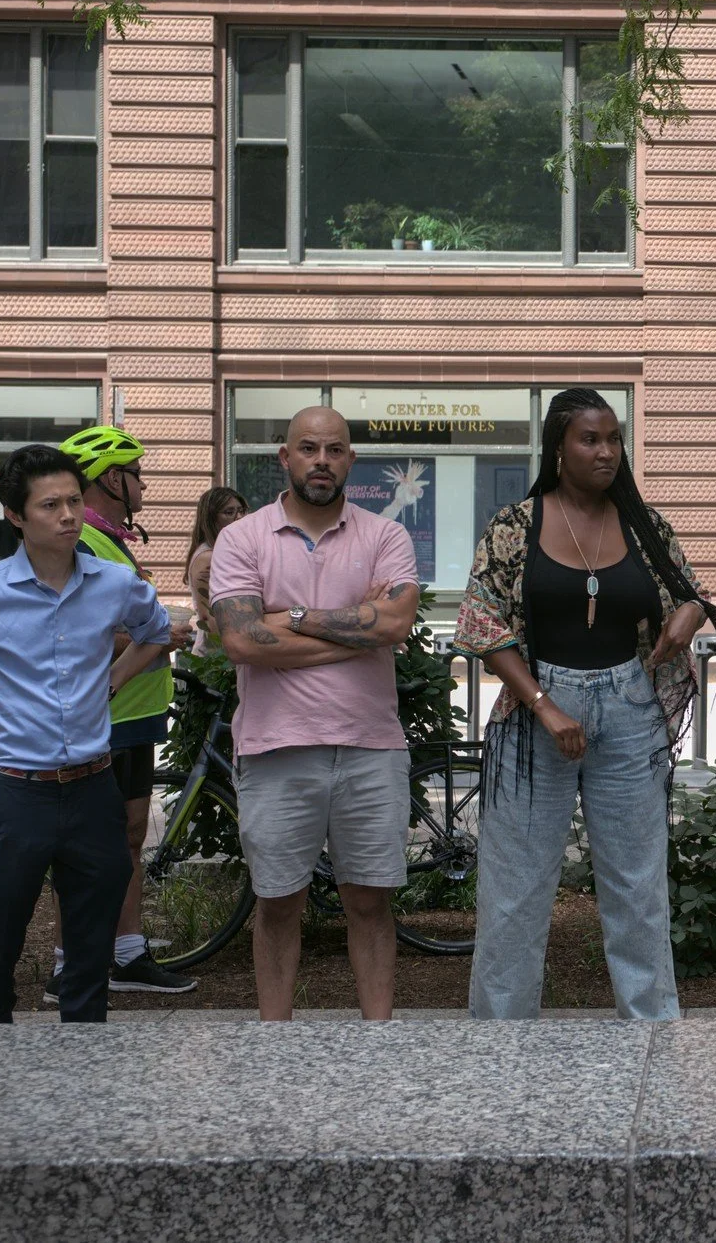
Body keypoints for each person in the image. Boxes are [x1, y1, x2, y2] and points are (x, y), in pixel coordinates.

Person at [456, 388, 716, 1020]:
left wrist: (690, 612)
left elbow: (690, 593)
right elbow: (479, 623)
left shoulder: (644, 525)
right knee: (514, 890)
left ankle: (651, 1028)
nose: (606, 451)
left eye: (614, 439)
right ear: (558, 448)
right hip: (537, 717)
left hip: (628, 711)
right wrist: (545, 705)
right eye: (591, 439)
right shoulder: (514, 526)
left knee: (638, 887)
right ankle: (502, 1034)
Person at [0, 445, 172, 1023]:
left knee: (90, 966)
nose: (68, 515)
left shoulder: (114, 583)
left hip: (95, 790)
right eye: (50, 505)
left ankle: (84, 1082)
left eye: (73, 500)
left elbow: (156, 630)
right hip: (16, 794)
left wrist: (109, 684)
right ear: (16, 516)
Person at [209, 406, 421, 1021]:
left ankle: (377, 1037)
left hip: (370, 746)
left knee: (370, 903)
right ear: (286, 458)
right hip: (276, 748)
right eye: (308, 449)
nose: (321, 461)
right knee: (277, 902)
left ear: (350, 460)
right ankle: (275, 1041)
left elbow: (396, 621)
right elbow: (243, 642)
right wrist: (356, 629)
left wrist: (290, 617)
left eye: (333, 450)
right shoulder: (242, 538)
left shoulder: (386, 536)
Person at [41, 425, 199, 1000]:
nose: (145, 484)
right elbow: (70, 635)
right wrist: (157, 636)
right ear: (113, 477)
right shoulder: (80, 542)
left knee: (130, 836)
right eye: (137, 473)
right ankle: (68, 964)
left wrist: (157, 633)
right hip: (97, 715)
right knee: (84, 843)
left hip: (132, 714)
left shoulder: (110, 540)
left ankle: (128, 956)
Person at [184, 486, 249, 652]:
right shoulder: (208, 557)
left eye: (241, 511)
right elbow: (210, 620)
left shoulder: (224, 551)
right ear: (211, 518)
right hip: (216, 659)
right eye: (229, 512)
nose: (239, 517)